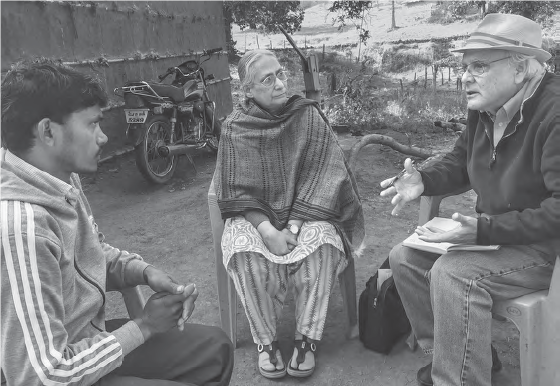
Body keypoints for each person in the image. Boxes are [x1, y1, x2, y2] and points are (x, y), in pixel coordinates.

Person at [0, 62, 234, 386]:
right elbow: (39, 376)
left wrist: (143, 271)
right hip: (63, 372)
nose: (103, 136)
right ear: (48, 131)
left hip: (89, 341)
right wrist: (145, 326)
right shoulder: (22, 229)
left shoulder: (62, 179)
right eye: (93, 124)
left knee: (216, 350)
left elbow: (92, 252)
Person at [380, 13, 559, 386]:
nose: (464, 77)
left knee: (452, 273)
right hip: (496, 236)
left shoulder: (554, 115)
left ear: (521, 68)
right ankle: (459, 356)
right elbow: (462, 161)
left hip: (545, 249)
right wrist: (423, 180)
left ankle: (457, 379)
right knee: (404, 259)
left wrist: (483, 230)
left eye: (478, 66)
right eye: (464, 67)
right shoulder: (485, 108)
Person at [213, 49, 364, 380]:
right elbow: (236, 192)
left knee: (325, 242)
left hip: (305, 213)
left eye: (281, 74)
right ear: (248, 91)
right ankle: (265, 343)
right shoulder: (235, 128)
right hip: (257, 217)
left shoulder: (307, 116)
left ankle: (307, 340)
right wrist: (268, 231)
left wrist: (294, 224)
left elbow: (325, 173)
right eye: (268, 79)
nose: (280, 84)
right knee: (240, 248)